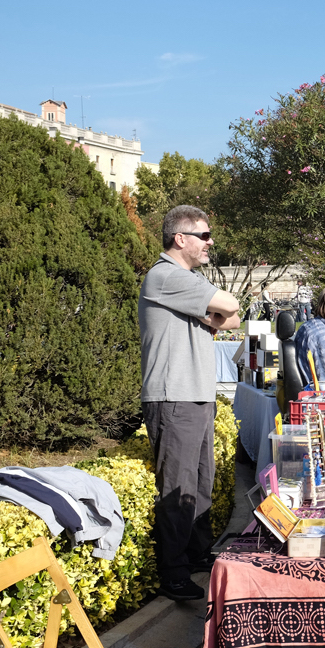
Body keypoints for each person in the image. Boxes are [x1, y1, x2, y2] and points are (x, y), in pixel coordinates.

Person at [138, 205, 242, 601]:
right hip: (174, 395)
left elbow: (232, 320)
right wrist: (214, 315)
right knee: (177, 489)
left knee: (199, 485)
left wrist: (211, 317)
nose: (210, 241)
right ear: (180, 239)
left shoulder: (185, 282)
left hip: (195, 395)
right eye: (204, 234)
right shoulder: (166, 276)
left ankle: (196, 554)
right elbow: (229, 307)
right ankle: (173, 573)